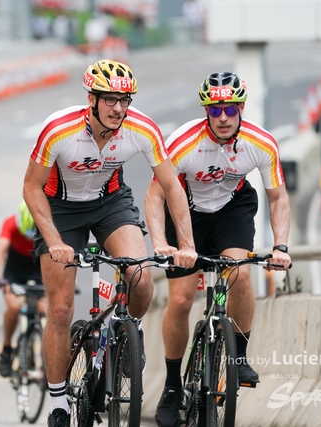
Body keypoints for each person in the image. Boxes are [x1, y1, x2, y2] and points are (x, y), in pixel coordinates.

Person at [22, 59, 197, 427]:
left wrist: (186, 243)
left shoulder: (142, 129)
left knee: (141, 278)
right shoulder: (58, 129)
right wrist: (54, 240)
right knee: (60, 308)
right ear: (92, 99)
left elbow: (171, 185)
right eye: (110, 100)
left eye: (125, 100)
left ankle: (125, 340)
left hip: (110, 203)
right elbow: (31, 186)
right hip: (61, 208)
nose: (119, 108)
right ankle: (56, 403)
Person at [144, 71, 292, 427]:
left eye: (229, 108)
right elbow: (155, 195)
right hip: (185, 211)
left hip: (231, 209)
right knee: (180, 300)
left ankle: (238, 357)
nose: (222, 117)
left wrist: (280, 246)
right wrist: (162, 244)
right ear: (205, 112)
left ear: (240, 107)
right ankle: (173, 385)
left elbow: (278, 198)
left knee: (239, 272)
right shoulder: (183, 142)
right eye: (214, 111)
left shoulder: (261, 143)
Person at [0, 201, 45, 378]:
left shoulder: (46, 224)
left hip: (38, 269)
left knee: (45, 309)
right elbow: (0, 250)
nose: (29, 239)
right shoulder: (10, 223)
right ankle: (6, 349)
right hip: (14, 271)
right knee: (14, 307)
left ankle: (46, 354)